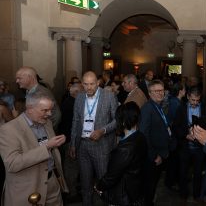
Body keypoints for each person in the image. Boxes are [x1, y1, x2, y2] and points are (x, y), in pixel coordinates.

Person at [0, 90, 67, 205]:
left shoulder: (47, 123)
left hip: (52, 184)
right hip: (27, 189)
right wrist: (46, 147)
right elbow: (12, 163)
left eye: (51, 110)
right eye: (45, 110)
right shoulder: (9, 130)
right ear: (30, 108)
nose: (49, 114)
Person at [69, 71, 118, 206]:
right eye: (85, 84)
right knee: (85, 183)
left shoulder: (109, 96)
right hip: (82, 145)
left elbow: (117, 120)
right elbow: (76, 120)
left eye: (92, 84)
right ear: (82, 84)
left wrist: (103, 130)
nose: (89, 87)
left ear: (98, 83)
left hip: (101, 146)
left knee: (103, 182)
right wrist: (73, 143)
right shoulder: (79, 97)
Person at [95, 102, 147, 206]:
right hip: (136, 189)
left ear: (122, 122)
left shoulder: (125, 149)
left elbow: (111, 177)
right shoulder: (140, 136)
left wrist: (99, 186)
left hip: (124, 194)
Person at [139, 80, 173, 206]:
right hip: (153, 156)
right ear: (149, 93)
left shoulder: (158, 106)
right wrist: (154, 155)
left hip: (161, 152)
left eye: (161, 90)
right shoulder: (148, 108)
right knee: (149, 186)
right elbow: (144, 134)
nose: (160, 93)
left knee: (152, 185)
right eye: (156, 91)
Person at [173, 86, 206, 200]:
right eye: (193, 100)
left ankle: (197, 195)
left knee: (198, 173)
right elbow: (176, 127)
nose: (195, 103)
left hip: (199, 147)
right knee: (183, 172)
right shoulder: (181, 108)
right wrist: (185, 135)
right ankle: (183, 194)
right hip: (185, 146)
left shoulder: (205, 108)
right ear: (188, 97)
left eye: (197, 100)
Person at [16, 66, 62, 130]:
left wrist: (46, 131)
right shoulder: (30, 91)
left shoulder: (41, 93)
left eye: (19, 78)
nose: (17, 81)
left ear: (30, 77)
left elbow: (56, 115)